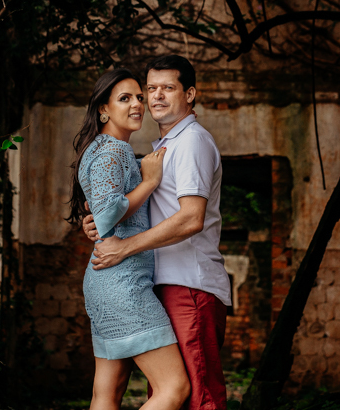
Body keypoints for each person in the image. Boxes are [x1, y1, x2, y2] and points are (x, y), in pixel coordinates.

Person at [84, 55, 231, 410]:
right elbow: (118, 205)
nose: (155, 97)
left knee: (196, 397)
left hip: (189, 284)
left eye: (168, 88)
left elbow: (190, 218)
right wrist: (100, 221)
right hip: (156, 283)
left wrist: (125, 246)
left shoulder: (192, 141)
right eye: (151, 89)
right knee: (171, 394)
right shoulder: (158, 149)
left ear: (190, 94)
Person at [68, 68, 191, 410]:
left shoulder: (97, 149)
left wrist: (93, 223)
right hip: (123, 285)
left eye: (139, 97)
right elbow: (107, 216)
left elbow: (100, 214)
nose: (137, 104)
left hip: (103, 283)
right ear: (103, 110)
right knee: (174, 388)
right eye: (125, 98)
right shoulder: (115, 152)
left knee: (107, 395)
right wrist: (149, 182)